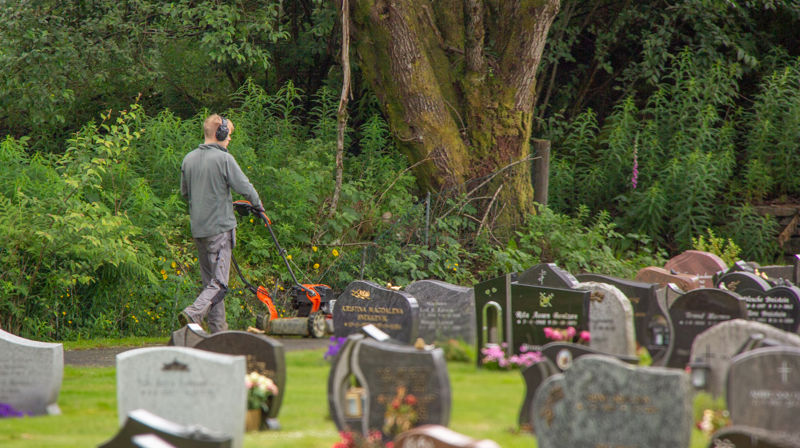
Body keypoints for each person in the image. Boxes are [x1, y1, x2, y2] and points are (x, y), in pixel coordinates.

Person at [178, 114, 263, 333]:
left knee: (212, 285)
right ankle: (194, 313)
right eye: (229, 135)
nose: (230, 139)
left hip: (199, 231)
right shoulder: (224, 159)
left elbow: (185, 193)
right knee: (220, 284)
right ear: (220, 133)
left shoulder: (188, 159)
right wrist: (259, 206)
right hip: (220, 230)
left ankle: (218, 333)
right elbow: (245, 187)